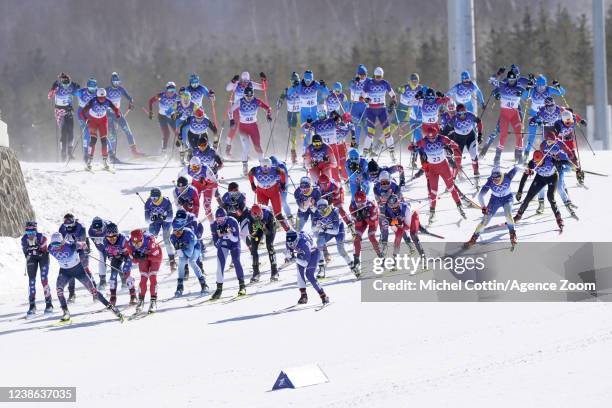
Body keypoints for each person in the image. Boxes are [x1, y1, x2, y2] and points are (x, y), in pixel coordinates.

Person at [47, 232, 122, 323]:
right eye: (53, 244)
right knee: (59, 290)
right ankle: (65, 312)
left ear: (62, 242)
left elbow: (84, 244)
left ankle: (111, 307)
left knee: (93, 291)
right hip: (64, 271)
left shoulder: (71, 246)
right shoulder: (50, 248)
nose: (56, 247)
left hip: (78, 270)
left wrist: (84, 250)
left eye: (58, 244)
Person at [409, 128, 466, 223]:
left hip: (444, 168)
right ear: (427, 136)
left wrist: (449, 145)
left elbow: (456, 145)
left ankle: (460, 207)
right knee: (433, 192)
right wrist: (414, 148)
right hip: (432, 169)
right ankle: (432, 213)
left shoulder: (442, 138)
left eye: (434, 138)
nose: (432, 140)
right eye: (430, 138)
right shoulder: (423, 141)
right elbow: (410, 148)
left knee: (451, 188)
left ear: (437, 135)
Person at [464, 167, 519, 249]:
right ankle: (473, 239)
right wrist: (483, 207)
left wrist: (527, 170)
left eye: (497, 178)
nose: (495, 181)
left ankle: (512, 234)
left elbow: (517, 168)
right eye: (493, 179)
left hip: (507, 199)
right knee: (484, 221)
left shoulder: (508, 176)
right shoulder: (490, 181)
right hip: (494, 201)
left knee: (508, 215)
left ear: (501, 176)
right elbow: (480, 196)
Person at [229, 86, 273, 175]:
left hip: (253, 127)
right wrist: (231, 120)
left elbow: (268, 108)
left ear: (253, 95)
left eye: (251, 96)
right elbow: (230, 110)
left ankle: (263, 166)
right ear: (244, 95)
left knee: (258, 147)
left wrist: (268, 115)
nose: (249, 98)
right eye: (247, 96)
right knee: (246, 147)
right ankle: (245, 168)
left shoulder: (256, 101)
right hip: (243, 128)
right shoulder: (240, 101)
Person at [522, 75, 566, 159]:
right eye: (539, 87)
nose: (541, 89)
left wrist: (558, 85)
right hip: (534, 115)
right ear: (536, 85)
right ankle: (526, 154)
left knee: (545, 137)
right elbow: (524, 96)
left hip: (545, 116)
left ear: (545, 85)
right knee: (532, 135)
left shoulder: (548, 89)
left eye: (543, 86)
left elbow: (562, 93)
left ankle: (546, 155)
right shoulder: (533, 90)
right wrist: (528, 88)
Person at [359, 67, 398, 160]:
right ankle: (365, 152)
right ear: (374, 76)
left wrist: (393, 101)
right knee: (370, 133)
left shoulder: (385, 83)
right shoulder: (368, 83)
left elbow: (393, 95)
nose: (378, 79)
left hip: (382, 110)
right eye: (376, 77)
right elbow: (360, 98)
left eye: (380, 77)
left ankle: (392, 153)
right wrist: (365, 99)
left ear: (382, 76)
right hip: (371, 110)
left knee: (387, 132)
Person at [79, 88, 122, 171]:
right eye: (100, 98)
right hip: (93, 121)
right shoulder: (92, 101)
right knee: (93, 140)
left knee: (104, 140)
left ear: (105, 97)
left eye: (103, 98)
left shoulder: (108, 101)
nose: (102, 100)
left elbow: (115, 109)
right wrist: (85, 119)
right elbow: (82, 112)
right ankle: (89, 162)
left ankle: (105, 162)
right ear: (97, 96)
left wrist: (117, 114)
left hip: (103, 121)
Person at [224, 71, 265, 156]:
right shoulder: (237, 84)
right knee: (233, 128)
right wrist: (233, 81)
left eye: (247, 81)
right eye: (243, 81)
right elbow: (227, 88)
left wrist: (264, 80)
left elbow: (263, 88)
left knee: (248, 128)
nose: (245, 83)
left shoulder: (251, 84)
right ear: (241, 80)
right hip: (237, 108)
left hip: (247, 110)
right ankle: (228, 148)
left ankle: (247, 152)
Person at [105, 71, 144, 160]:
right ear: (111, 81)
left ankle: (134, 151)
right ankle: (112, 155)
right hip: (109, 113)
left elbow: (129, 97)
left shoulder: (120, 89)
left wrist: (131, 101)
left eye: (118, 82)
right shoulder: (107, 90)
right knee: (112, 134)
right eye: (115, 82)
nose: (116, 84)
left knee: (127, 130)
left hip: (117, 113)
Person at [491, 71, 527, 164]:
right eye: (510, 80)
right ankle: (497, 155)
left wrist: (531, 83)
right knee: (504, 135)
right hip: (504, 115)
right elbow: (491, 80)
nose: (511, 82)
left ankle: (519, 156)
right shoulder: (502, 85)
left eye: (513, 80)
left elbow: (530, 93)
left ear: (516, 80)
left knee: (519, 133)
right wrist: (498, 73)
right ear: (508, 79)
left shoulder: (519, 88)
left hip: (515, 114)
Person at [286, 230, 330, 305]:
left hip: (314, 254)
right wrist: (288, 256)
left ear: (297, 239)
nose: (291, 245)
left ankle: (323, 295)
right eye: (289, 243)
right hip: (302, 252)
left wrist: (294, 259)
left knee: (309, 275)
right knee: (299, 270)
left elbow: (305, 263)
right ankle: (303, 296)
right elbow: (289, 250)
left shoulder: (304, 244)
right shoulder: (289, 240)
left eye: (293, 243)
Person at [443, 103, 483, 185]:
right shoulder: (453, 119)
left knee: (474, 156)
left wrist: (480, 135)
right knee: (457, 161)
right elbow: (445, 132)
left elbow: (479, 122)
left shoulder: (470, 115)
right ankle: (452, 179)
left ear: (466, 111)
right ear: (457, 113)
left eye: (464, 113)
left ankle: (476, 173)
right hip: (458, 140)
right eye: (460, 114)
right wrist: (445, 143)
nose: (462, 115)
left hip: (470, 138)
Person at [210, 208, 246, 299]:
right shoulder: (214, 225)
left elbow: (236, 239)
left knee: (236, 260)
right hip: (223, 244)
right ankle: (219, 289)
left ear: (225, 217)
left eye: (221, 219)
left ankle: (242, 285)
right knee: (220, 264)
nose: (219, 221)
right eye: (217, 219)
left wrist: (229, 235)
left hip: (234, 243)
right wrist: (221, 237)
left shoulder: (232, 221)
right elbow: (216, 244)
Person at [312, 199, 353, 278]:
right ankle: (321, 269)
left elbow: (335, 231)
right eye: (319, 208)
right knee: (319, 244)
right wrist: (317, 226)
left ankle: (352, 266)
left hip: (338, 230)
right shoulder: (316, 213)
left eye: (323, 208)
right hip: (327, 230)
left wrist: (324, 228)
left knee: (340, 249)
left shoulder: (333, 212)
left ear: (327, 207)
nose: (321, 210)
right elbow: (313, 229)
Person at [170, 214, 209, 296]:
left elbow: (189, 253)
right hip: (184, 249)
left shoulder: (189, 234)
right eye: (175, 231)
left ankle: (204, 284)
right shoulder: (172, 237)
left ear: (183, 228)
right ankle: (180, 286)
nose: (177, 233)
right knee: (181, 263)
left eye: (180, 230)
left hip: (195, 247)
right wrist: (178, 249)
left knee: (192, 261)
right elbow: (180, 253)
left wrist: (180, 246)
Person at [59, 213, 93, 302]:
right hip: (70, 248)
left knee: (85, 268)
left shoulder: (80, 227)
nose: (68, 225)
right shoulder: (62, 228)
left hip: (82, 246)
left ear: (74, 221)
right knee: (71, 269)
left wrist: (84, 248)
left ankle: (94, 290)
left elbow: (82, 242)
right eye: (66, 222)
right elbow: (61, 241)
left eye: (70, 222)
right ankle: (72, 294)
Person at [248, 158, 290, 231]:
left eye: (267, 167)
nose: (265, 169)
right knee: (260, 213)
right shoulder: (256, 170)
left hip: (274, 192)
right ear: (260, 166)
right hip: (261, 193)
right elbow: (250, 174)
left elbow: (282, 173)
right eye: (263, 167)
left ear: (271, 166)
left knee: (278, 214)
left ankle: (288, 230)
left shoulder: (275, 169)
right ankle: (261, 233)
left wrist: (283, 184)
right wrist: (252, 184)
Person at [21, 221, 53, 315]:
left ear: (36, 231)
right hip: (32, 258)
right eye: (28, 232)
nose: (30, 234)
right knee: (31, 281)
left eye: (32, 232)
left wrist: (36, 249)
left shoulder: (41, 237)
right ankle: (32, 305)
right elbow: (25, 253)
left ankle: (49, 303)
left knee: (44, 279)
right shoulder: (24, 239)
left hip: (43, 257)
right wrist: (31, 251)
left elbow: (43, 250)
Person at [383, 194, 425, 265]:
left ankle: (423, 256)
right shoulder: (387, 210)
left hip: (412, 217)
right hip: (401, 221)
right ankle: (395, 260)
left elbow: (408, 226)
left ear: (398, 202)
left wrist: (401, 225)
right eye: (390, 205)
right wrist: (397, 223)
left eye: (394, 205)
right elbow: (391, 223)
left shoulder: (406, 209)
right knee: (398, 237)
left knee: (413, 235)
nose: (393, 207)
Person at [101, 223, 136, 306]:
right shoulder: (105, 241)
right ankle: (113, 297)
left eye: (114, 237)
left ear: (117, 235)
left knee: (126, 272)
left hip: (127, 255)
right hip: (117, 256)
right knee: (113, 276)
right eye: (109, 237)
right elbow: (108, 254)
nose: (111, 239)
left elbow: (132, 251)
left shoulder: (124, 239)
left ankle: (133, 295)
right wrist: (112, 255)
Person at [128, 229, 162, 313]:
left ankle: (153, 301)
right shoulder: (129, 244)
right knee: (143, 278)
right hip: (143, 258)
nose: (136, 246)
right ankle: (140, 301)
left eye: (139, 243)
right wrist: (136, 256)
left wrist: (147, 257)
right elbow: (134, 261)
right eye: (134, 243)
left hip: (154, 257)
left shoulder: (150, 242)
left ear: (142, 239)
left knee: (152, 277)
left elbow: (158, 258)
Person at [48, 72, 79, 161]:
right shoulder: (58, 86)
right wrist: (52, 89)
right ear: (61, 83)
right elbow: (49, 96)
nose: (66, 86)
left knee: (71, 132)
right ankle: (63, 153)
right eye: (64, 84)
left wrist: (78, 88)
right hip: (59, 111)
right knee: (64, 132)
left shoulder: (72, 86)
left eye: (67, 84)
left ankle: (69, 152)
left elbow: (78, 93)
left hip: (68, 110)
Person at [350, 191, 382, 276]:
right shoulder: (352, 206)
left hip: (372, 219)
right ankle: (356, 261)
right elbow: (358, 224)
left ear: (365, 200)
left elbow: (372, 223)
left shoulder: (372, 205)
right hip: (362, 221)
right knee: (357, 238)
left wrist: (367, 217)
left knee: (371, 236)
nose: (360, 205)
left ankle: (381, 256)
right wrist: (358, 218)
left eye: (362, 203)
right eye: (358, 203)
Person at [145, 188, 176, 271]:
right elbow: (147, 220)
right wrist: (152, 218)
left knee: (166, 239)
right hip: (155, 222)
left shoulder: (166, 201)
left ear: (160, 197)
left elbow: (170, 218)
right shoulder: (148, 202)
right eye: (152, 198)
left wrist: (164, 217)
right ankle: (149, 259)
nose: (154, 200)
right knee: (150, 239)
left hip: (166, 222)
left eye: (155, 198)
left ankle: (172, 260)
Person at [247, 204, 279, 283]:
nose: (257, 218)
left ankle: (274, 271)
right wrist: (255, 230)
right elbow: (252, 233)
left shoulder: (268, 214)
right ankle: (256, 272)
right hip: (258, 227)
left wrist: (263, 227)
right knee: (253, 248)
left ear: (261, 213)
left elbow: (269, 233)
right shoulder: (249, 216)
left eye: (259, 216)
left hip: (268, 225)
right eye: (255, 217)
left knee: (269, 245)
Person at [277, 72, 302, 164]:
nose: (294, 83)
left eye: (296, 81)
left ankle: (306, 152)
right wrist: (279, 103)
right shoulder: (287, 89)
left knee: (304, 131)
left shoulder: (301, 87)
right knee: (293, 134)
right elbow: (281, 97)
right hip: (291, 114)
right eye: (292, 81)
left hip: (300, 113)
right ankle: (293, 154)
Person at [148, 81, 179, 154]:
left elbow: (182, 106)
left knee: (177, 133)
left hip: (172, 117)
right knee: (167, 134)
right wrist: (151, 112)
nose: (171, 93)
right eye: (169, 90)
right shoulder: (161, 95)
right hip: (162, 117)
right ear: (166, 90)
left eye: (173, 90)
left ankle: (181, 150)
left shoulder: (177, 96)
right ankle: (163, 151)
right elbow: (151, 101)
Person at [186, 156, 219, 223]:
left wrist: (214, 191)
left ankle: (212, 224)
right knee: (193, 203)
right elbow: (179, 175)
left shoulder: (206, 169)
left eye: (196, 167)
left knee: (207, 206)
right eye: (193, 167)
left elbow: (215, 182)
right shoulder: (188, 168)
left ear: (200, 165)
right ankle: (192, 222)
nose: (194, 170)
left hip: (207, 186)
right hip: (197, 185)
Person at [75, 78, 98, 161]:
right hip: (82, 114)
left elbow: (106, 100)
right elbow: (73, 92)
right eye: (90, 87)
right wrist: (75, 87)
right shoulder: (82, 91)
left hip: (92, 115)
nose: (92, 89)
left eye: (94, 87)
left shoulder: (98, 92)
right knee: (87, 133)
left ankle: (109, 154)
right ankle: (85, 154)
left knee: (96, 135)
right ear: (87, 87)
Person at [348, 64, 369, 147]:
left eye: (364, 75)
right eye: (361, 75)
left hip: (365, 106)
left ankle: (369, 147)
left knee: (367, 127)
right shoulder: (354, 81)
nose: (362, 77)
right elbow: (349, 85)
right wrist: (354, 82)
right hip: (355, 107)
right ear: (357, 75)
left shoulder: (368, 81)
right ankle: (355, 147)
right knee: (357, 128)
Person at [270, 155, 294, 225]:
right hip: (274, 187)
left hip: (283, 186)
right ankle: (277, 220)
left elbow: (285, 179)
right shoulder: (269, 167)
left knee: (283, 201)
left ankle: (290, 217)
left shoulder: (281, 166)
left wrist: (282, 186)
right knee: (274, 203)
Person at [88, 217, 110, 288]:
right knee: (102, 259)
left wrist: (105, 240)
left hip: (111, 245)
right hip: (101, 247)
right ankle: (102, 280)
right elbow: (94, 242)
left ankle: (123, 277)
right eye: (96, 230)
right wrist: (97, 241)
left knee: (115, 259)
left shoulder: (108, 227)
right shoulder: (90, 231)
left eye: (100, 229)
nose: (98, 231)